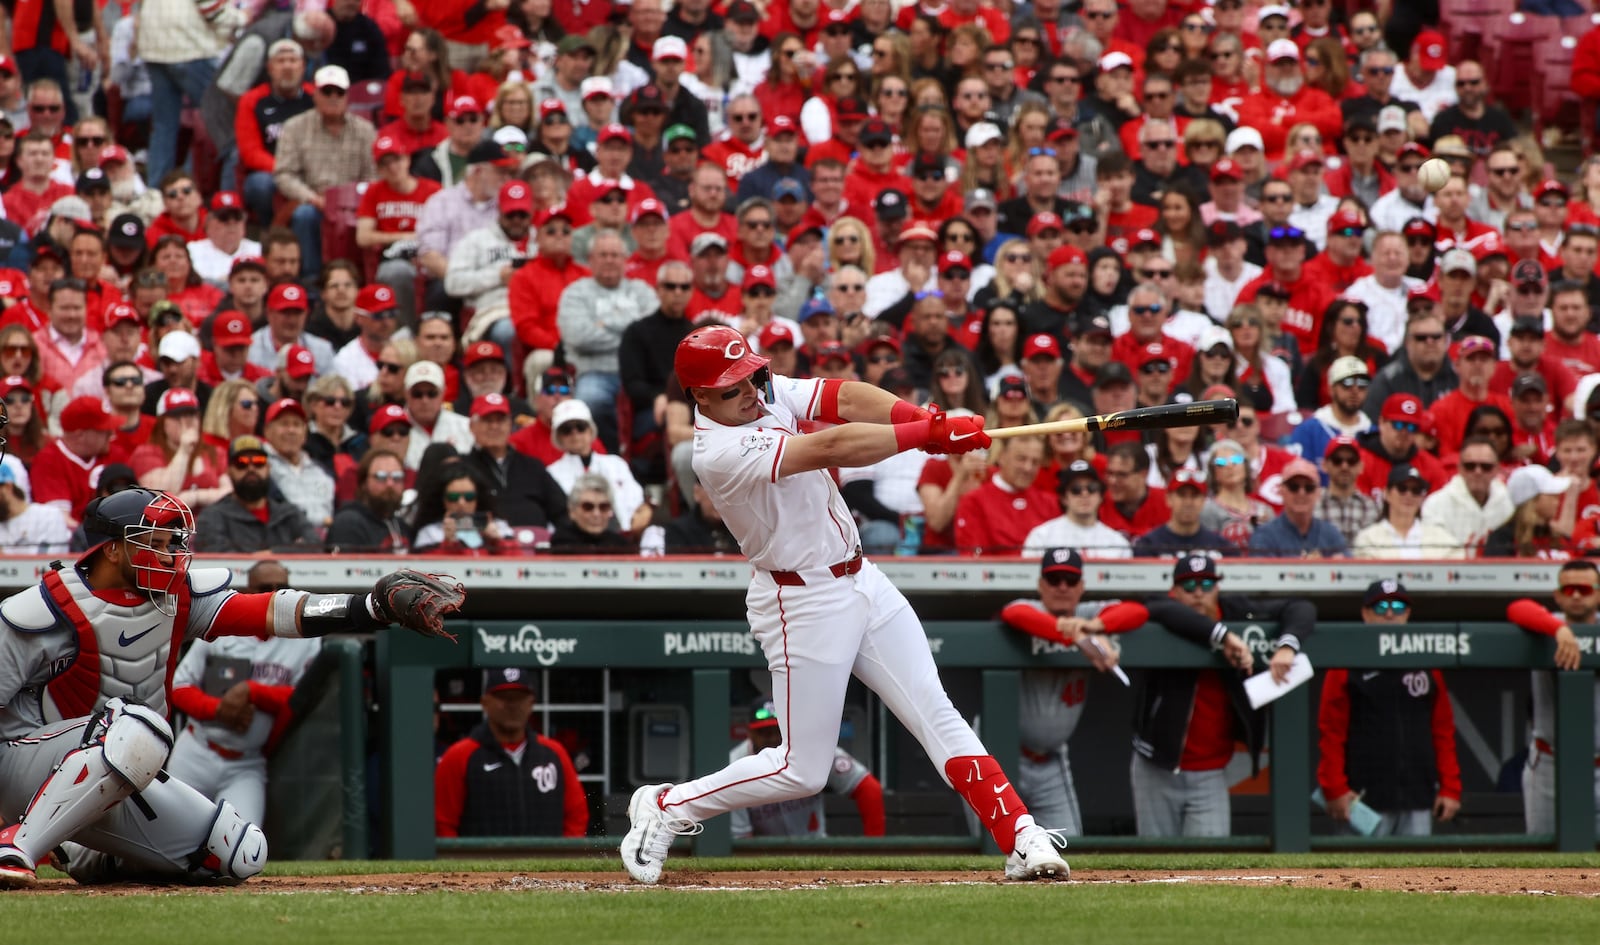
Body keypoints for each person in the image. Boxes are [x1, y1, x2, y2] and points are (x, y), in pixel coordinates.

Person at [620, 324, 1069, 885]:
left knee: (937, 712)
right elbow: (827, 446)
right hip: (800, 600)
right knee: (801, 770)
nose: (753, 391)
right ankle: (668, 806)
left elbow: (844, 397)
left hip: (862, 578)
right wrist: (925, 436)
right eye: (734, 386)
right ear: (700, 397)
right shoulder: (718, 452)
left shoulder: (765, 391)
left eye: (753, 376)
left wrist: (919, 416)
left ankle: (1020, 836)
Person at [0, 486, 463, 887]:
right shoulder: (45, 605)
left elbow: (268, 611)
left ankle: (87, 853)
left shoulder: (176, 596)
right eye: (153, 543)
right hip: (27, 763)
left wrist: (370, 608)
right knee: (137, 725)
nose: (168, 555)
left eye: (171, 542)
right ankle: (17, 845)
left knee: (239, 852)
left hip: (119, 777)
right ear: (112, 550)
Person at [1134, 556, 1311, 837]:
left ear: (1217, 588)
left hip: (1211, 773)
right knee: (1153, 862)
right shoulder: (1163, 610)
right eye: (1189, 585)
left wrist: (1287, 645)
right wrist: (1223, 636)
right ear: (1175, 591)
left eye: (1206, 584)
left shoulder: (1234, 609)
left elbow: (1301, 607)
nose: (1198, 592)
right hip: (1156, 768)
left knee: (1207, 864)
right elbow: (1153, 607)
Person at [164, 560, 324, 828]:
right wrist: (218, 710)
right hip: (197, 751)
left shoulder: (306, 640)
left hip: (247, 763)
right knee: (171, 835)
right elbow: (178, 687)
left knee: (242, 844)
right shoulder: (222, 626)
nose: (276, 594)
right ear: (249, 590)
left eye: (282, 587)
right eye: (266, 587)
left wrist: (253, 692)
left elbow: (303, 699)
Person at [999, 548, 1146, 834]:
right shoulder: (1030, 607)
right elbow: (1013, 613)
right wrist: (1074, 635)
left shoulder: (1087, 615)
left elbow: (1137, 611)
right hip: (1002, 756)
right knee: (994, 849)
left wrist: (1094, 626)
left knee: (1070, 845)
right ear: (1041, 585)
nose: (1063, 587)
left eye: (1070, 579)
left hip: (1051, 760)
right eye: (1054, 580)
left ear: (1081, 586)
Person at [1318, 580, 1461, 837]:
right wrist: (1334, 787)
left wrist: (1450, 787)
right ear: (1365, 613)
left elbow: (1443, 731)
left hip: (1418, 797)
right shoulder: (1345, 661)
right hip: (1362, 798)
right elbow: (1331, 732)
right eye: (1380, 605)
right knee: (1356, 876)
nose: (1389, 612)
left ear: (1407, 613)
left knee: (1417, 876)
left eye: (1397, 605)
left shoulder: (1426, 662)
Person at [434, 667, 587, 838]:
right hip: (482, 862)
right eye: (504, 698)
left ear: (531, 703)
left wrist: (563, 858)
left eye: (519, 698)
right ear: (485, 702)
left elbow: (576, 814)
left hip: (547, 863)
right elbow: (443, 823)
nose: (512, 705)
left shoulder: (553, 753)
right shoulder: (459, 756)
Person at [1505, 560, 1600, 837]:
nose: (1576, 595)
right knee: (1544, 854)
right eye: (1568, 589)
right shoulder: (1545, 626)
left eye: (1584, 588)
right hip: (1550, 763)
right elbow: (1517, 608)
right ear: (1557, 594)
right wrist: (1558, 630)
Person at [729, 699, 884, 839]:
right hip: (765, 857)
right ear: (750, 733)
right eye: (764, 732)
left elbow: (868, 787)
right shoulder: (735, 766)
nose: (772, 737)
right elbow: (742, 837)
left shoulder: (812, 748)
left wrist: (875, 848)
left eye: (779, 730)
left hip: (814, 848)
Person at [194, 436, 321, 553]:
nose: (251, 469)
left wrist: (273, 554)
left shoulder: (289, 514)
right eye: (241, 463)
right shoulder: (213, 516)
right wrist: (289, 551)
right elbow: (216, 558)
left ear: (268, 468)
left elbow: (315, 547)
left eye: (258, 462)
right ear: (229, 471)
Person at [953, 435, 1057, 554]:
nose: (1028, 468)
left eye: (1035, 462)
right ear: (1002, 457)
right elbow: (974, 559)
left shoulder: (1050, 503)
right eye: (1021, 459)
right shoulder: (974, 502)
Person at [1420, 437, 1514, 556]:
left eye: (1486, 467)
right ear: (1459, 468)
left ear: (1497, 469)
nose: (1478, 472)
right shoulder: (1436, 504)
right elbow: (1434, 552)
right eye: (1470, 466)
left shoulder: (1508, 501)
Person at [1021, 459, 1132, 558]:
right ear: (1064, 498)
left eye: (1092, 488)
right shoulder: (1041, 537)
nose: (1084, 494)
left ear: (1101, 496)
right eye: (1076, 489)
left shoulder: (1118, 543)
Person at [1352, 465, 1464, 559]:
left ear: (1421, 498)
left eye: (1416, 490)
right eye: (1402, 488)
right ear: (1386, 494)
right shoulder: (1368, 538)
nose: (1409, 495)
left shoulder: (1440, 537)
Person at [1248, 458, 1348, 557]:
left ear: (1318, 493)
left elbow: (1349, 568)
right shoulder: (1264, 536)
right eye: (1293, 487)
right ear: (1281, 491)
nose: (1301, 493)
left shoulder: (1331, 534)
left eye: (1309, 488)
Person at [1133, 468, 1231, 558]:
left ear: (1203, 501)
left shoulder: (1222, 546)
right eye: (1182, 495)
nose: (1188, 502)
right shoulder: (1148, 545)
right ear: (1169, 499)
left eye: (1194, 496)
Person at [325, 449, 410, 553]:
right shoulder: (349, 523)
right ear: (364, 483)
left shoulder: (401, 525)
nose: (390, 484)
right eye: (381, 477)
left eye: (397, 477)